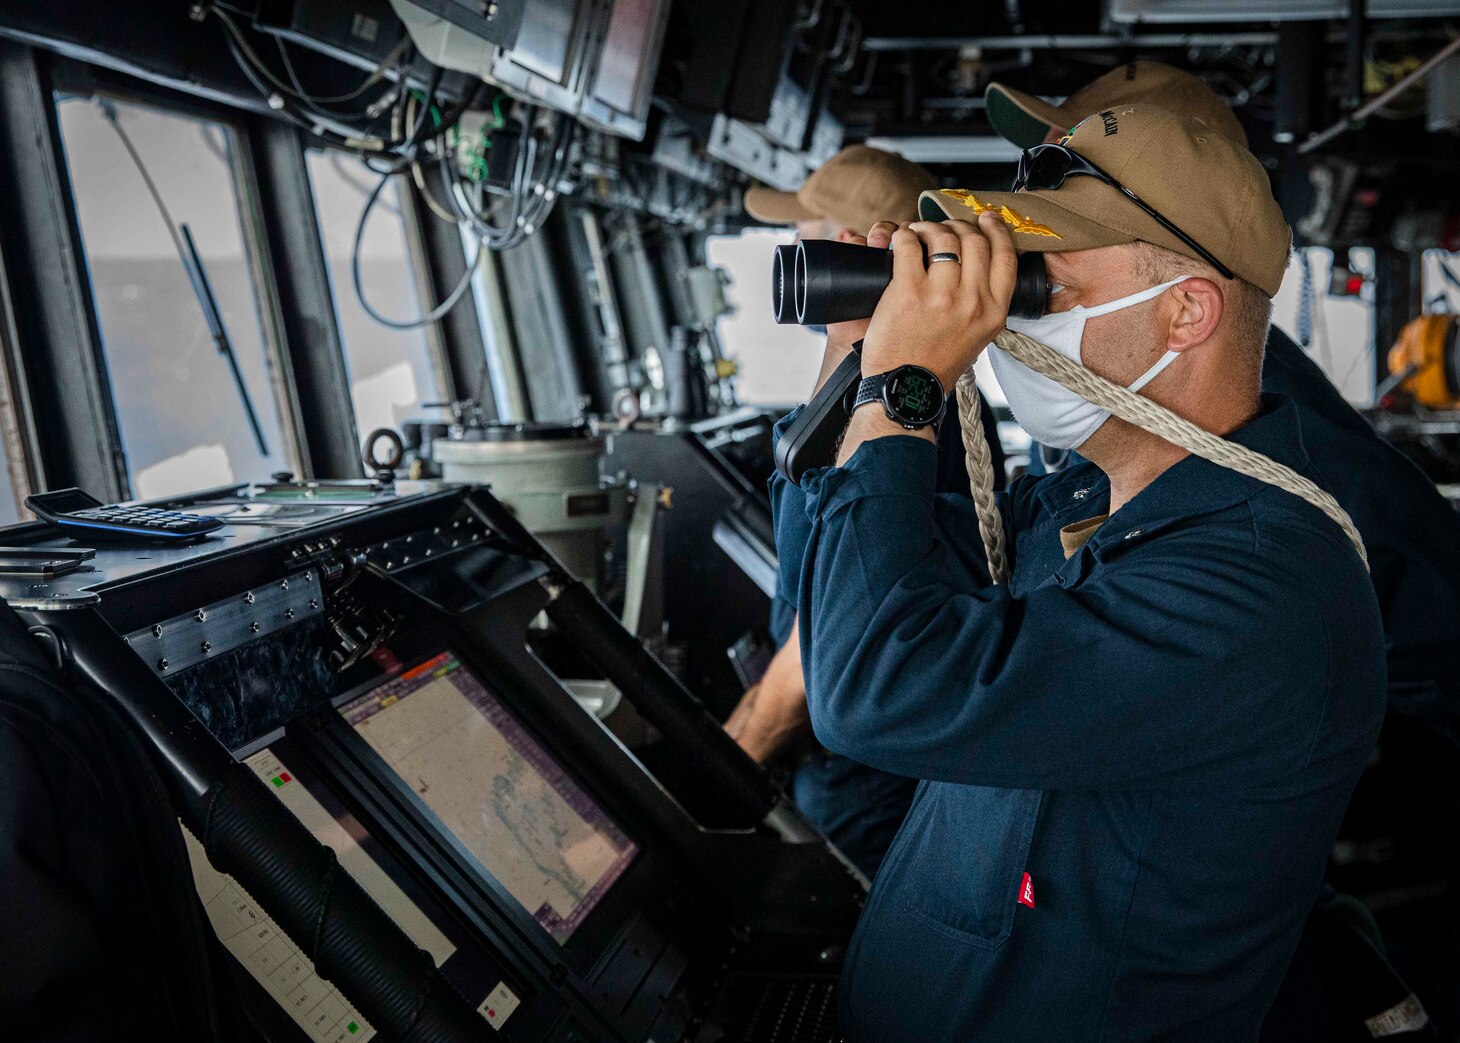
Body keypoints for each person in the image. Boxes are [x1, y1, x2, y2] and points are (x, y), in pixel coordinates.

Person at [772, 104, 1385, 1040]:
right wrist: (851, 360)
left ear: (1188, 309)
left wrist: (906, 388)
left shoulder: (1259, 590)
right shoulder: (1084, 505)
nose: (1016, 316)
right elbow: (837, 598)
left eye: (1043, 287)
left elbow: (869, 691)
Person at [984, 61, 1460, 735]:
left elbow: (1425, 608)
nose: (1043, 195)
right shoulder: (1111, 377)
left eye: (1081, 167)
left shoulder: (1248, 414)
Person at [729, 145, 1006, 877]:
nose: (798, 249)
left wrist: (718, 770)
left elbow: (815, 653)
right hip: (838, 752)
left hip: (861, 773)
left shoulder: (910, 415)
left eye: (812, 229)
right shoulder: (861, 384)